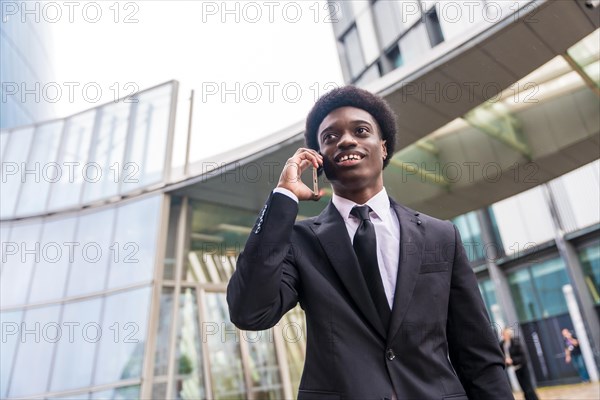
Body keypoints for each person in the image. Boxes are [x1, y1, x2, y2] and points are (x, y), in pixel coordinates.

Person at [227, 86, 513, 399]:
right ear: (319, 159)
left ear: (384, 147)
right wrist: (283, 197)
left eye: (361, 131)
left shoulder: (440, 235)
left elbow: (478, 353)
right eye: (330, 137)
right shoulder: (301, 242)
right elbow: (250, 313)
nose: (346, 140)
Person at [500, 328, 539, 400]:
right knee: (523, 388)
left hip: (523, 367)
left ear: (508, 334)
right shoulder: (502, 344)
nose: (503, 336)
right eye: (502, 334)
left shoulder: (515, 342)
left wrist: (512, 360)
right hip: (515, 368)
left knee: (528, 387)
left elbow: (523, 357)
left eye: (504, 334)